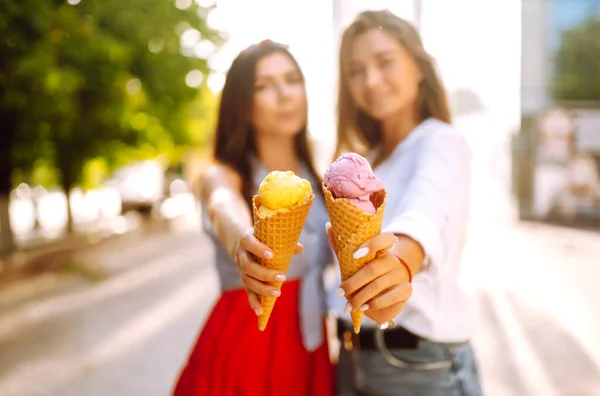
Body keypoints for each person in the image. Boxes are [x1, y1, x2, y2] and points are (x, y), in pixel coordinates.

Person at [330, 10, 484, 395]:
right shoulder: (371, 159)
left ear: (418, 66)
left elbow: (425, 210)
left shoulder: (441, 140)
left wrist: (400, 262)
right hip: (351, 364)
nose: (371, 80)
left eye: (385, 63)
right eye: (356, 71)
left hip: (422, 370)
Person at [172, 40, 334, 396]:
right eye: (264, 86)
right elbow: (222, 205)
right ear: (242, 105)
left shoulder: (319, 175)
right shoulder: (226, 173)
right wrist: (242, 240)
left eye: (292, 79)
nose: (284, 94)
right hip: (248, 340)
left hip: (309, 343)